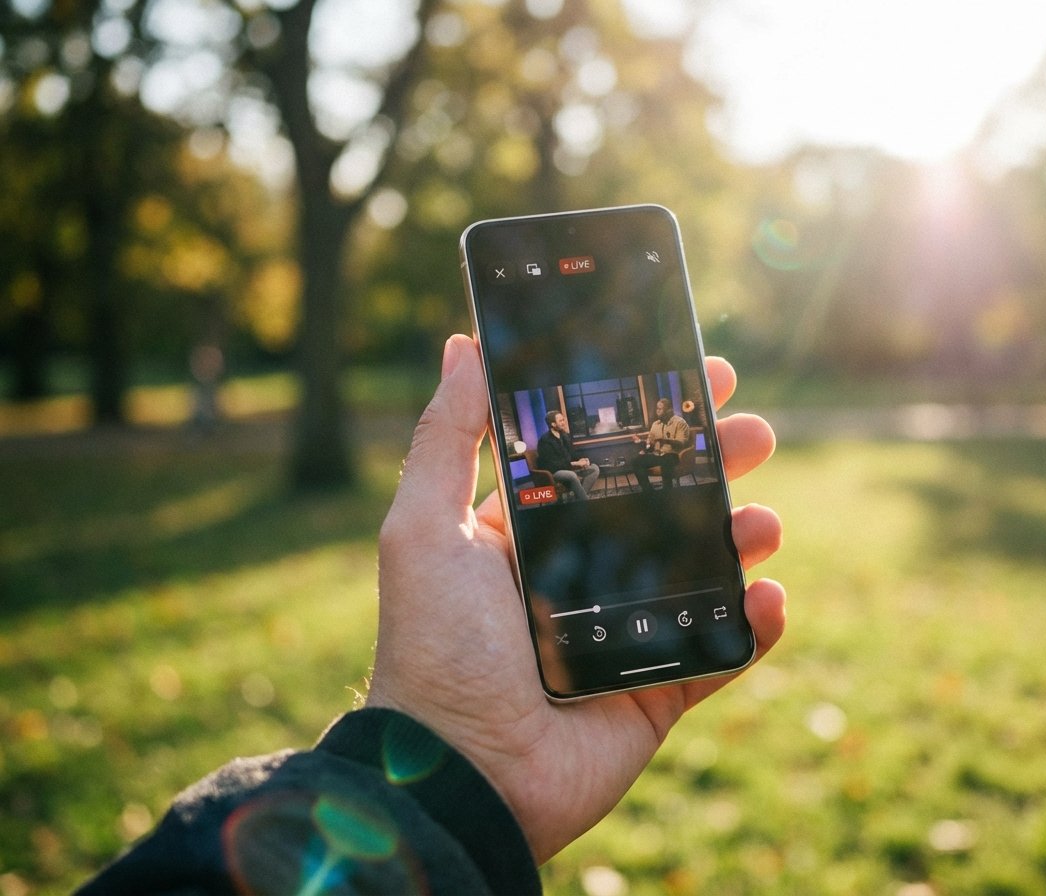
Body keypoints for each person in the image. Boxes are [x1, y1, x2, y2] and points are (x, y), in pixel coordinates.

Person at [77, 334, 786, 895]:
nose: (575, 420)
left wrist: (459, 777)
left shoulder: (619, 429)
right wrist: (468, 763)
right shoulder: (552, 440)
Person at [536, 410, 600, 501]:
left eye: (563, 420)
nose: (563, 422)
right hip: (554, 472)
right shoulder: (545, 440)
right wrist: (575, 464)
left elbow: (572, 453)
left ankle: (576, 498)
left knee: (594, 468)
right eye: (560, 421)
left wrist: (582, 459)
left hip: (569, 468)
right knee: (571, 475)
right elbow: (552, 464)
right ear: (553, 424)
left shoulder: (564, 435)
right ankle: (585, 500)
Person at [630, 398, 690, 491]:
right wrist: (641, 442)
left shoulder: (680, 423)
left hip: (674, 455)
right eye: (656, 408)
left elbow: (682, 444)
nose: (657, 411)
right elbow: (650, 445)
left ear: (669, 410)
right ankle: (649, 491)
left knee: (667, 461)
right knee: (636, 461)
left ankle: (667, 490)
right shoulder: (655, 424)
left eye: (660, 409)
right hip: (658, 455)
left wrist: (666, 441)